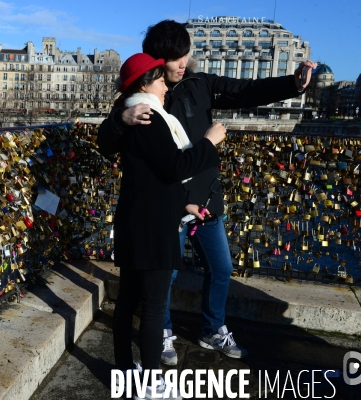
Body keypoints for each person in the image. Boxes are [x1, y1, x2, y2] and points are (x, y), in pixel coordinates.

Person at [99, 20, 317, 366]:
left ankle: (212, 327)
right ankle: (163, 335)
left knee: (221, 267)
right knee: (162, 281)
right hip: (169, 206)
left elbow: (245, 90)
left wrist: (292, 83)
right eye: (173, 58)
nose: (182, 63)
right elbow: (107, 143)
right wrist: (120, 119)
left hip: (205, 198)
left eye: (185, 54)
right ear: (155, 62)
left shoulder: (199, 83)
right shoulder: (143, 101)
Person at [112, 52, 226, 400]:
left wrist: (185, 203)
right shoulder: (151, 118)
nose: (166, 85)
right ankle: (150, 383)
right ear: (146, 84)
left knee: (128, 302)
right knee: (153, 307)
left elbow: (154, 178)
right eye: (161, 80)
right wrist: (209, 141)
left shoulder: (137, 115)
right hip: (153, 230)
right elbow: (176, 166)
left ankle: (123, 370)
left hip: (135, 223)